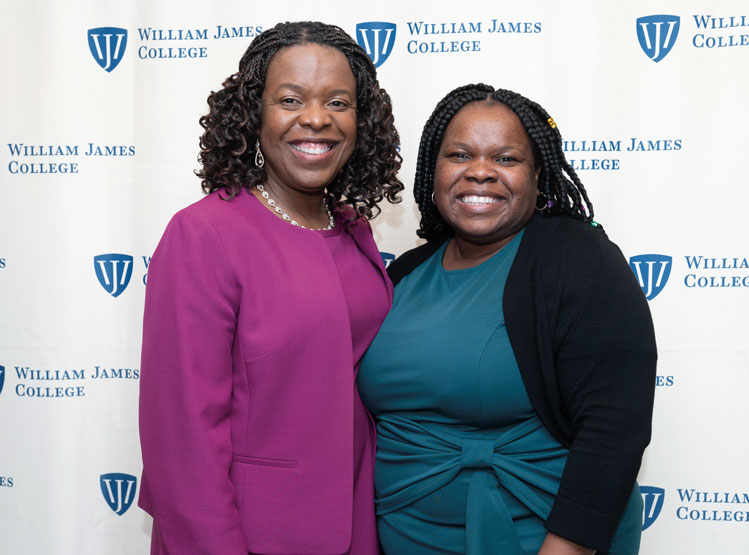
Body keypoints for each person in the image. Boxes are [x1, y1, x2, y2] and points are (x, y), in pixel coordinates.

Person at [138, 21, 403, 555]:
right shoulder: (205, 233)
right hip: (253, 533)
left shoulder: (352, 227)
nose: (316, 118)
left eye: (338, 102)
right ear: (253, 114)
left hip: (358, 522)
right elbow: (182, 436)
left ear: (361, 119)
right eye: (289, 99)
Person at [357, 83, 656, 555]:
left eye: (506, 159)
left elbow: (615, 427)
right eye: (459, 155)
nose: (480, 173)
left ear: (537, 174)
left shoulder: (578, 259)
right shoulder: (406, 273)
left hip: (535, 533)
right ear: (433, 170)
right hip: (407, 530)